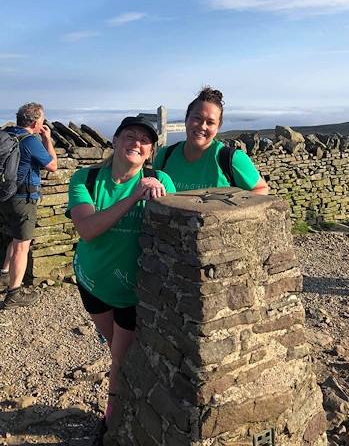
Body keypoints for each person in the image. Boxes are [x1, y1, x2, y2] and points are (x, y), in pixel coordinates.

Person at [66, 116, 175, 437]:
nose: (136, 143)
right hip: (92, 283)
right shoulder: (85, 179)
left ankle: (111, 419)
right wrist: (133, 197)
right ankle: (131, 390)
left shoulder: (159, 179)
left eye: (144, 140)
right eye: (129, 135)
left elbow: (172, 229)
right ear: (114, 141)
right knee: (118, 347)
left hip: (134, 290)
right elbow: (87, 230)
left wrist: (161, 195)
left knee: (119, 356)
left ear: (150, 152)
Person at [153, 86, 269, 195]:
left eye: (210, 122)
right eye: (197, 118)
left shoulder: (231, 159)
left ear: (218, 127)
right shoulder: (165, 156)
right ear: (186, 118)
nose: (202, 126)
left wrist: (232, 214)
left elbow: (261, 189)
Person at [0, 102, 57, 309]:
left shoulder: (6, 134)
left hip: (5, 197)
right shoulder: (30, 141)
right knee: (22, 246)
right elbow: (53, 166)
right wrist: (47, 139)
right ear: (35, 122)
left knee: (15, 237)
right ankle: (13, 294)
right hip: (24, 199)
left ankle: (5, 275)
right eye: (41, 119)